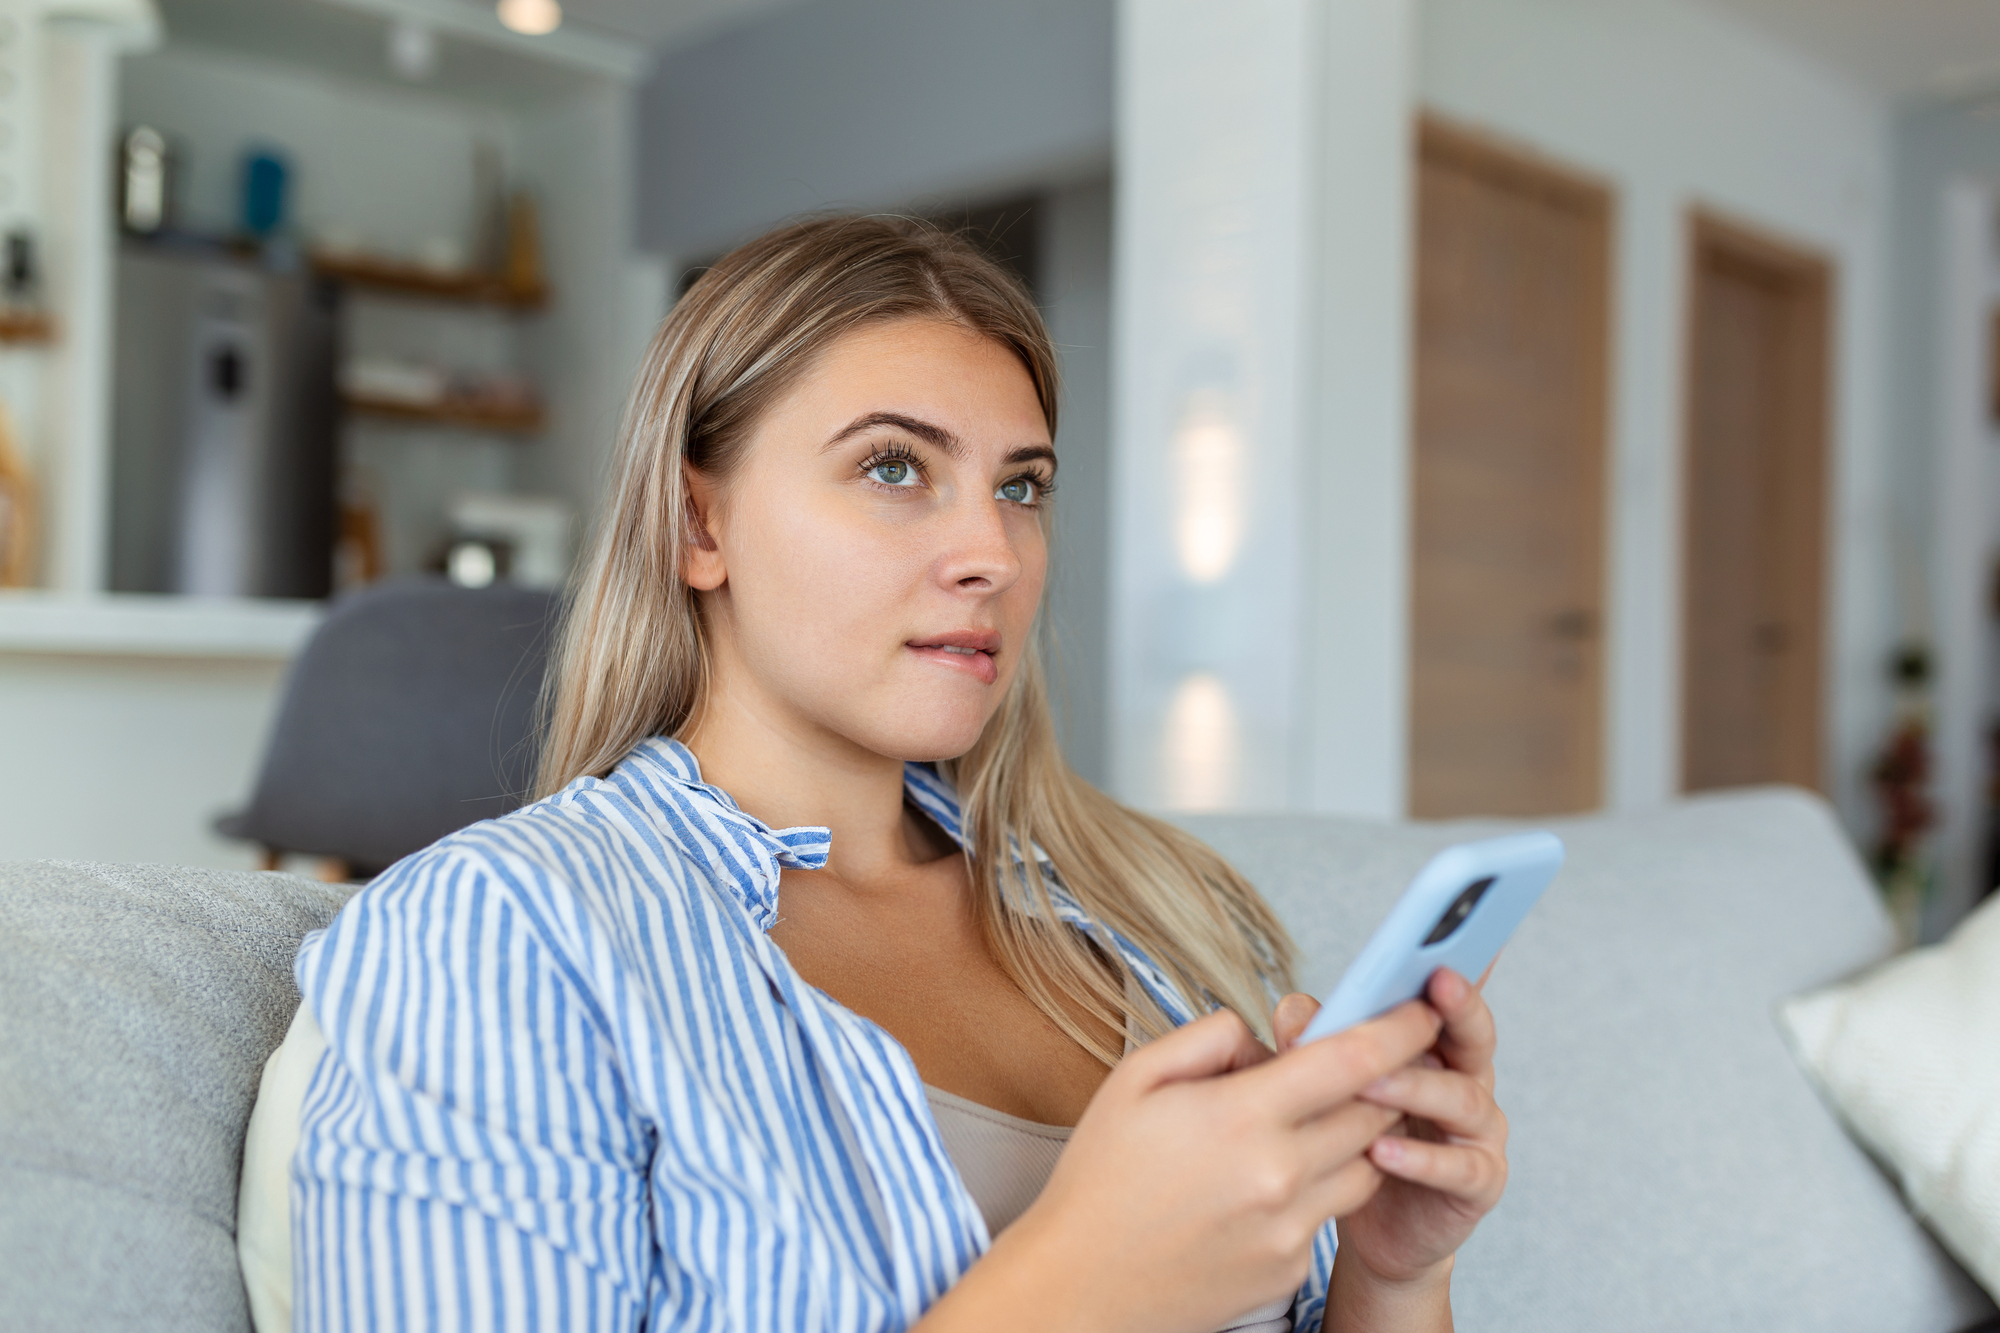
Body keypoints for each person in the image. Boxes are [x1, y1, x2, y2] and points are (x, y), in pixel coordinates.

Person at [290, 215, 1510, 1332]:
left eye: (1019, 486)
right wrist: (1085, 1282)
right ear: (695, 524)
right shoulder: (507, 935)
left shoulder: (1145, 916)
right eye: (891, 466)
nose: (992, 551)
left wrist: (1390, 1277)